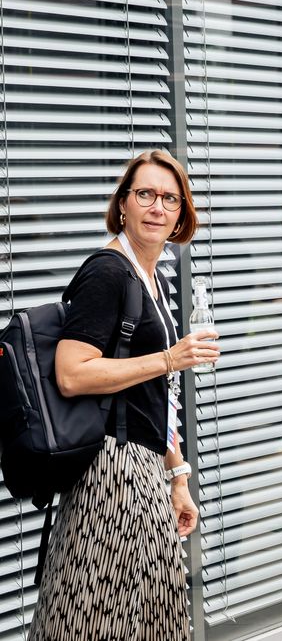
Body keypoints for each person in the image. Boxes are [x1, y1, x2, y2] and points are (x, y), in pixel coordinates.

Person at [30, 150, 217, 640]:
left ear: (181, 215)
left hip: (144, 469)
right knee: (98, 618)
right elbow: (72, 373)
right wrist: (169, 358)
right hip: (110, 476)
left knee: (149, 614)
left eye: (170, 199)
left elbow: (154, 395)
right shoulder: (108, 271)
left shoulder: (152, 277)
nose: (158, 207)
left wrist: (177, 474)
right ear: (124, 205)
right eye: (145, 195)